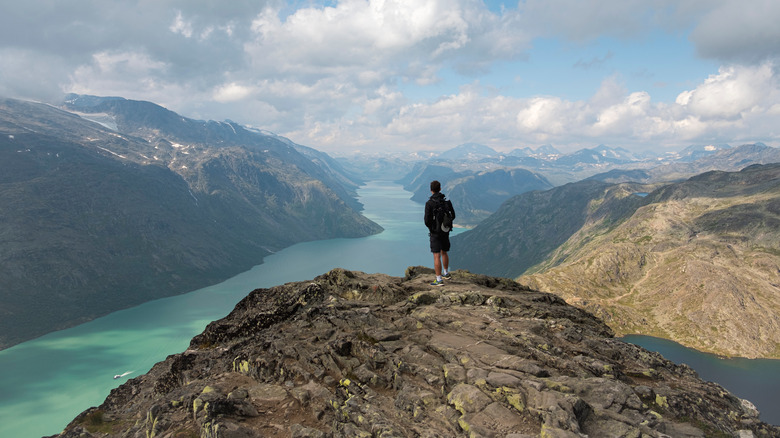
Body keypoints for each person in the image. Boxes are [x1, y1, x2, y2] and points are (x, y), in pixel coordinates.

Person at [424, 180, 455, 286]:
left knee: (436, 255)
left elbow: (427, 221)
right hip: (445, 231)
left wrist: (432, 228)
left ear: (431, 190)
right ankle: (446, 273)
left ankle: (438, 279)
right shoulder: (446, 202)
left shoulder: (429, 203)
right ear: (440, 189)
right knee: (444, 252)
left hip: (435, 233)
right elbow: (453, 216)